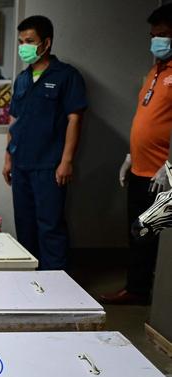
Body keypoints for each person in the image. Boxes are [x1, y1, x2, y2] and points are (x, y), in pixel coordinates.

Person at [2, 15, 87, 271]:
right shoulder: (23, 79)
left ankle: (56, 284)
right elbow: (14, 121)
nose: (23, 47)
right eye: (21, 41)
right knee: (25, 225)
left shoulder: (66, 76)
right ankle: (30, 281)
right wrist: (8, 158)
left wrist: (66, 161)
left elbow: (75, 119)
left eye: (29, 41)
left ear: (46, 43)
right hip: (22, 164)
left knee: (50, 225)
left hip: (49, 165)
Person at [100, 4, 172, 305]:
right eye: (153, 35)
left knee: (158, 240)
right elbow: (148, 118)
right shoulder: (155, 70)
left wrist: (169, 164)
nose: (157, 42)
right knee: (138, 234)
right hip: (142, 169)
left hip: (163, 176)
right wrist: (131, 156)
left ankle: (157, 298)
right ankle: (137, 289)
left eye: (164, 35)